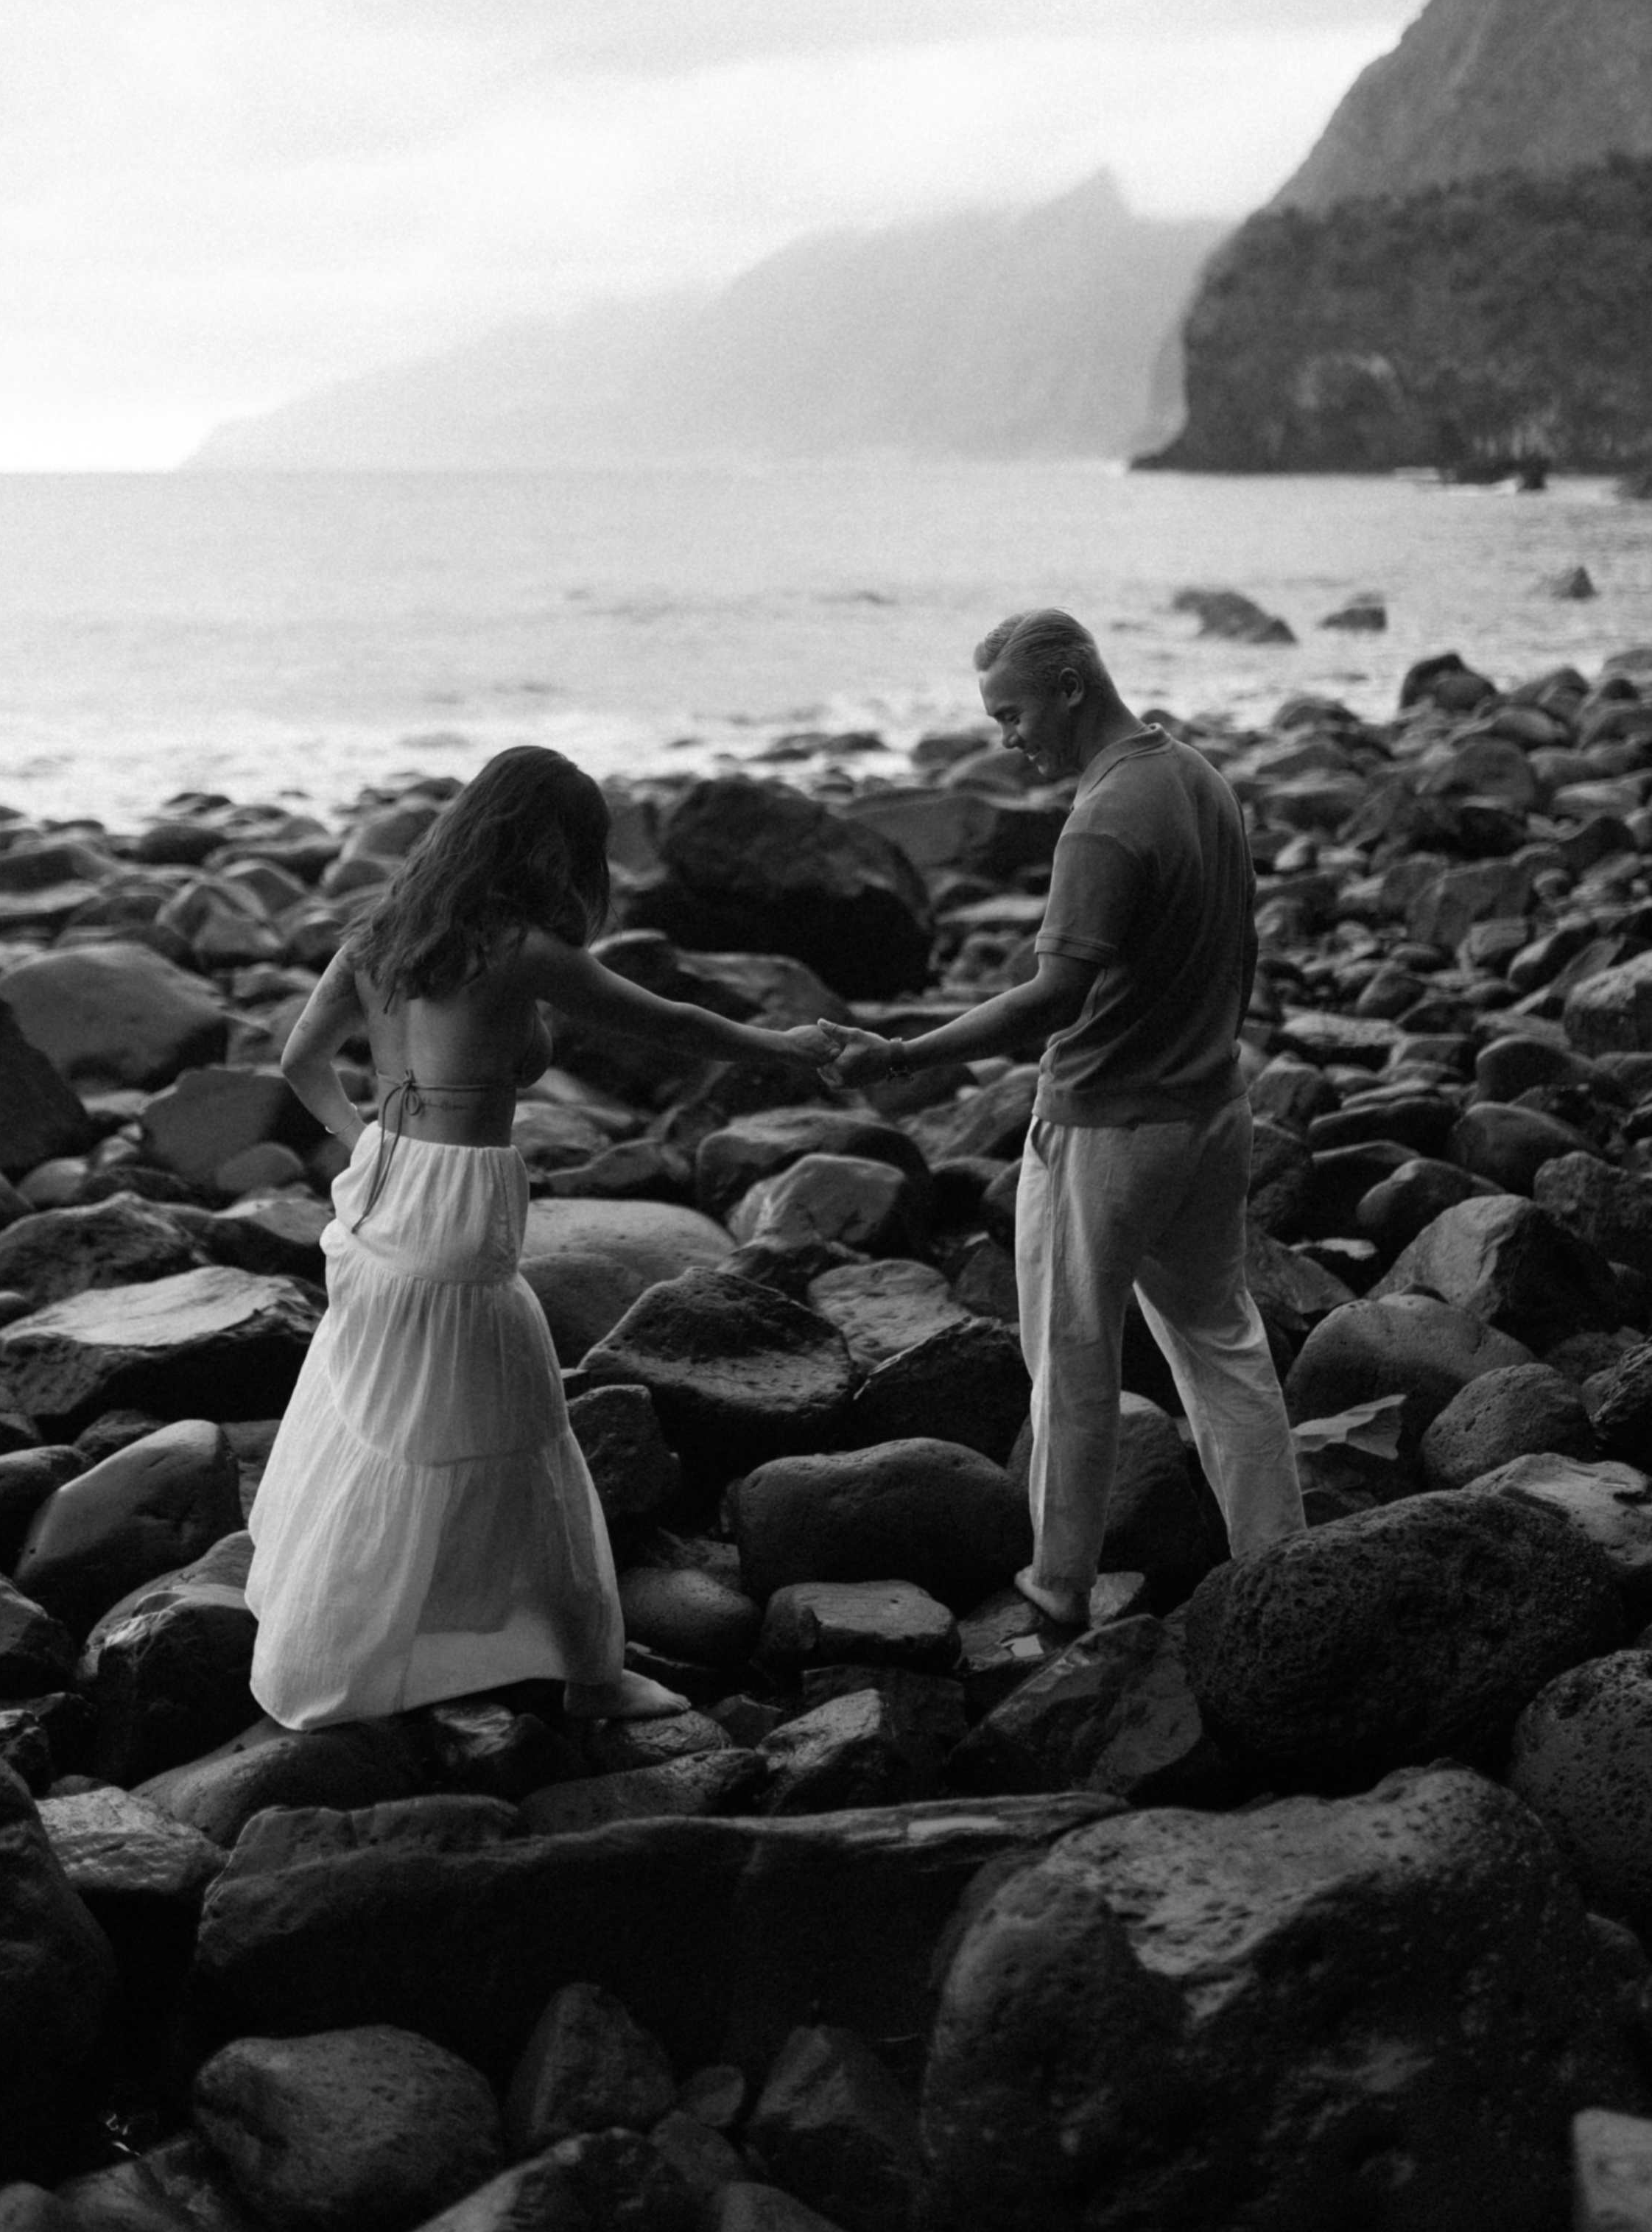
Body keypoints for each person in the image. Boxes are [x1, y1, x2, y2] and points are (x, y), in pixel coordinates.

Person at [246, 743, 836, 1729]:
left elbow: (301, 1061)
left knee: (388, 1419)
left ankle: (383, 1632)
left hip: (381, 1193)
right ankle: (590, 1676)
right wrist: (786, 1046)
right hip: (457, 1217)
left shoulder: (383, 933)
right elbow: (671, 1023)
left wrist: (370, 1141)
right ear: (550, 846)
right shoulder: (516, 950)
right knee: (528, 1442)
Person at [822, 608, 1304, 1628]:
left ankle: (1058, 1589)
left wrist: (904, 1054)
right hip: (1212, 1111)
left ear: (1074, 686)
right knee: (1223, 1343)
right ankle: (1282, 1565)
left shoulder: (1103, 821)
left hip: (1106, 1130)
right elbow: (1240, 953)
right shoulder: (1201, 779)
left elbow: (1051, 999)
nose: (1007, 738)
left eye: (1013, 713)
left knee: (1073, 1366)